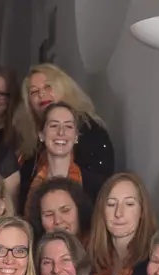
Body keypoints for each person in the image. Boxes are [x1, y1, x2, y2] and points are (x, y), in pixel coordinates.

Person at [12, 64, 116, 193]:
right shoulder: (31, 143)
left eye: (48, 87)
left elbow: (103, 187)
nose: (42, 94)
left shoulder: (90, 130)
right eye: (34, 92)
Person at [19, 104, 99, 214]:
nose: (61, 132)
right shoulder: (26, 181)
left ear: (76, 137)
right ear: (41, 134)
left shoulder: (94, 185)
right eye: (54, 126)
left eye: (68, 126)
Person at [26, 176, 91, 243]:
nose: (57, 221)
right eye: (49, 214)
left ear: (80, 211)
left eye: (65, 210)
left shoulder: (96, 248)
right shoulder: (34, 251)